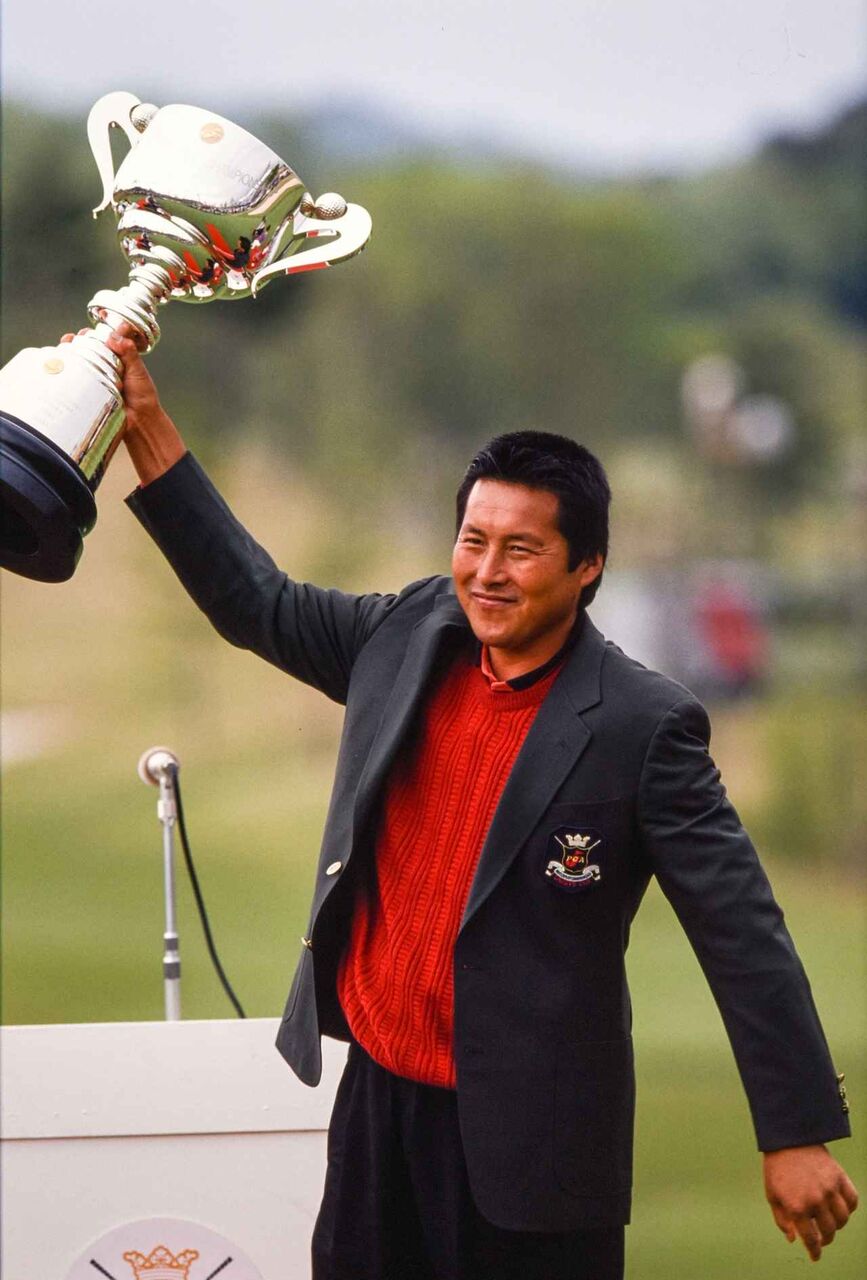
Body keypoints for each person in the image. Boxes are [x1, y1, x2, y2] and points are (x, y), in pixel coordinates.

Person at [91, 326, 858, 1279]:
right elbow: (260, 603)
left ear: (587, 567)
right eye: (473, 541)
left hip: (536, 1149)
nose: (487, 572)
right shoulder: (407, 634)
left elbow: (741, 929)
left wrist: (793, 1131)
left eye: (521, 550)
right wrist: (147, 428)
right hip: (376, 1112)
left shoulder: (643, 725)